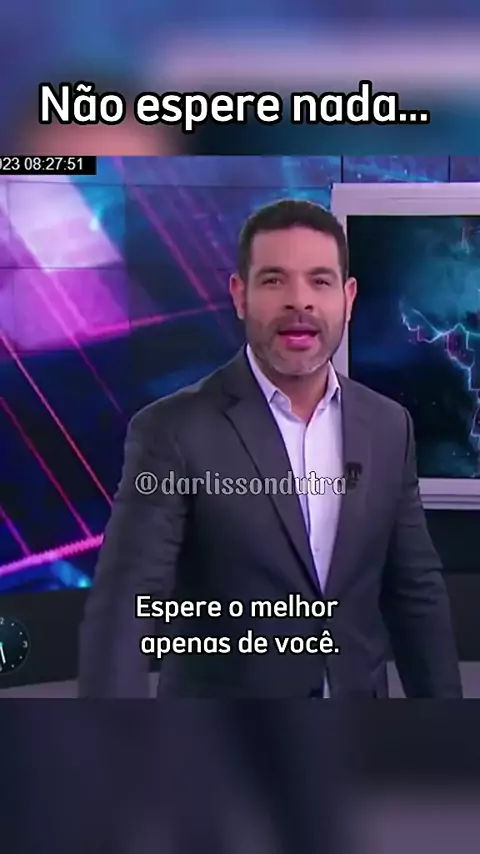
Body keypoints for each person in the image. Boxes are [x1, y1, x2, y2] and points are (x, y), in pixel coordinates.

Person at [78, 198, 462, 699]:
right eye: (274, 280)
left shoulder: (390, 427)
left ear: (348, 298)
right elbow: (128, 605)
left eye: (320, 281)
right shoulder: (170, 431)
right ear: (240, 295)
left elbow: (415, 593)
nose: (299, 302)